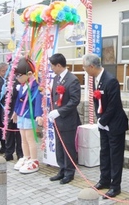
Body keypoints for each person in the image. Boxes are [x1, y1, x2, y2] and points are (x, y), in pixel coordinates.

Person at [82, 54, 128, 199]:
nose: (84, 70)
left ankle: (115, 186)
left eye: (84, 67)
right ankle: (104, 180)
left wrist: (102, 121)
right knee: (104, 153)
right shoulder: (97, 79)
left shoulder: (111, 80)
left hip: (115, 125)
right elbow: (99, 103)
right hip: (104, 123)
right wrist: (100, 119)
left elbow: (114, 105)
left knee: (115, 156)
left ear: (92, 66)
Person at [48, 53, 81, 184]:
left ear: (59, 65)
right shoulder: (56, 79)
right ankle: (61, 169)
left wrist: (59, 112)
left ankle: (69, 172)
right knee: (59, 147)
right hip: (57, 120)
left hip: (67, 120)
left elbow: (74, 101)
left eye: (52, 66)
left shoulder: (72, 80)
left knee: (68, 147)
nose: (51, 68)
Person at [12, 57, 43, 174]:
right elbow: (18, 101)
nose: (17, 78)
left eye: (19, 75)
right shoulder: (23, 85)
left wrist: (38, 115)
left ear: (29, 74)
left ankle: (34, 160)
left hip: (29, 116)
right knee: (23, 139)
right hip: (21, 115)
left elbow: (38, 101)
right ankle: (26, 157)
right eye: (16, 75)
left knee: (30, 139)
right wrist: (15, 112)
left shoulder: (35, 86)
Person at [0, 62, 23, 161]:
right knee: (9, 134)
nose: (6, 72)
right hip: (6, 112)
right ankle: (9, 153)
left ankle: (20, 154)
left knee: (19, 133)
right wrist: (4, 91)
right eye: (3, 71)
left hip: (17, 111)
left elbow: (21, 95)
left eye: (7, 70)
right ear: (0, 72)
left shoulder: (17, 80)